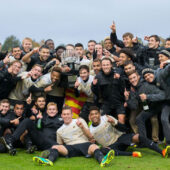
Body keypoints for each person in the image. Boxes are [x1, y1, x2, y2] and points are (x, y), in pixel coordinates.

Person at [33, 106, 115, 167]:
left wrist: (82, 127)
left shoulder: (79, 121)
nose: (66, 116)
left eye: (68, 114)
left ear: (72, 115)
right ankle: (48, 160)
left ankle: (102, 160)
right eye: (64, 114)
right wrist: (57, 148)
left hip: (84, 144)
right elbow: (60, 144)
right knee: (56, 147)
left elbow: (91, 137)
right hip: (70, 148)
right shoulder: (59, 130)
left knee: (93, 146)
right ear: (61, 115)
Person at [88, 106, 170, 158]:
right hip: (111, 146)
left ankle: (162, 152)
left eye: (96, 113)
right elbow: (92, 145)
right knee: (104, 150)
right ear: (89, 117)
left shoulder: (106, 118)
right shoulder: (90, 130)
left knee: (139, 136)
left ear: (99, 114)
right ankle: (132, 154)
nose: (94, 116)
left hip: (121, 138)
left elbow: (125, 129)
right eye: (92, 114)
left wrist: (114, 123)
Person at [126, 71, 165, 140]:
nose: (133, 80)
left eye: (134, 77)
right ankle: (142, 139)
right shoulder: (133, 89)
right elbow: (134, 106)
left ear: (138, 77)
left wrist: (147, 96)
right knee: (138, 119)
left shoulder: (147, 86)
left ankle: (153, 140)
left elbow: (162, 95)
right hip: (146, 106)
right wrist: (127, 98)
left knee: (145, 118)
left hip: (156, 105)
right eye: (130, 79)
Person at [91, 58, 126, 124]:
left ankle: (122, 133)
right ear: (101, 66)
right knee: (102, 120)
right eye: (104, 65)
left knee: (121, 119)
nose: (105, 66)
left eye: (107, 65)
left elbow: (123, 88)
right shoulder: (98, 77)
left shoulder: (117, 74)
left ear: (111, 65)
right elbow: (96, 93)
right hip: (107, 103)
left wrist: (119, 79)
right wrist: (94, 85)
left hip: (119, 102)